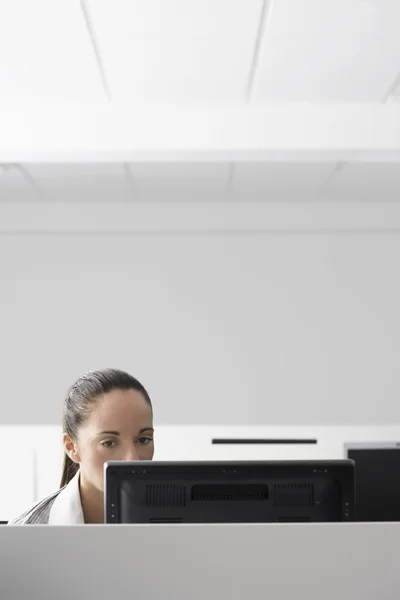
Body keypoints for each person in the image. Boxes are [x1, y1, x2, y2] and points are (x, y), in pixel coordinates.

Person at [8, 368, 154, 525]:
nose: (132, 460)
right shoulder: (25, 532)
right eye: (109, 443)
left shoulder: (181, 522)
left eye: (143, 440)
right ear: (71, 447)